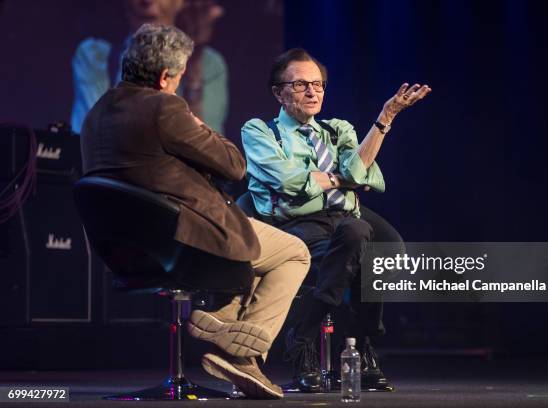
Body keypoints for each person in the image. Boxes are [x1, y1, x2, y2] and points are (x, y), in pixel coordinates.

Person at [80, 24, 310, 399]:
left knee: (252, 260)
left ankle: (229, 333)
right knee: (294, 253)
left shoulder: (96, 113)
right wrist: (202, 126)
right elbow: (234, 166)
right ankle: (241, 348)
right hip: (183, 240)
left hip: (126, 249)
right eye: (181, 74)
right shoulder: (165, 107)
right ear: (165, 76)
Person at [241, 48, 431, 391]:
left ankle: (325, 338)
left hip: (344, 218)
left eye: (318, 84)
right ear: (278, 92)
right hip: (295, 225)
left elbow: (365, 176)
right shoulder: (261, 132)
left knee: (381, 247)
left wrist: (385, 117)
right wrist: (340, 178)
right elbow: (288, 183)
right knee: (359, 235)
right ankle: (329, 348)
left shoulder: (338, 128)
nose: (313, 92)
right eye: (300, 85)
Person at [71, 0, 228, 134]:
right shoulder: (95, 56)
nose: (147, 2)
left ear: (181, 3)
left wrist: (194, 65)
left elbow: (209, 153)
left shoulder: (209, 63)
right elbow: (91, 136)